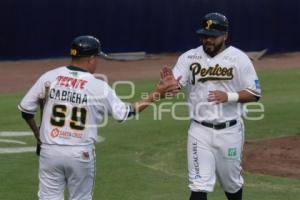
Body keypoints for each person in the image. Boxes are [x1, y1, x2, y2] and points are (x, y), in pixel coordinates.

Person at [18, 35, 180, 200]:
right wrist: (157, 94)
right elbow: (125, 113)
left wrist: (39, 137)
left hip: (50, 151)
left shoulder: (49, 76)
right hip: (80, 153)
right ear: (91, 58)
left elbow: (26, 110)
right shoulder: (98, 86)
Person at [169, 13, 262, 200]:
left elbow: (254, 94)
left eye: (213, 36)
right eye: (204, 35)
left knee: (232, 184)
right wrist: (169, 85)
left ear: (225, 35)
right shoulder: (189, 58)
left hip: (230, 130)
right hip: (199, 131)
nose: (208, 40)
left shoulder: (239, 59)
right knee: (198, 185)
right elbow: (174, 83)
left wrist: (228, 96)